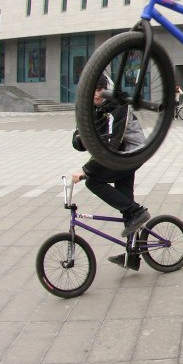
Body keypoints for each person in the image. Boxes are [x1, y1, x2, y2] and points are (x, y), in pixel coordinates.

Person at [72, 73, 151, 270]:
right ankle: (133, 255)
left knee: (93, 181)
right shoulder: (89, 108)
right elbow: (77, 139)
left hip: (131, 154)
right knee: (126, 204)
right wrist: (84, 138)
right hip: (118, 156)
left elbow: (112, 143)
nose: (96, 94)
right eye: (93, 90)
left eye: (100, 89)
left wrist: (86, 170)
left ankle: (137, 211)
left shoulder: (118, 105)